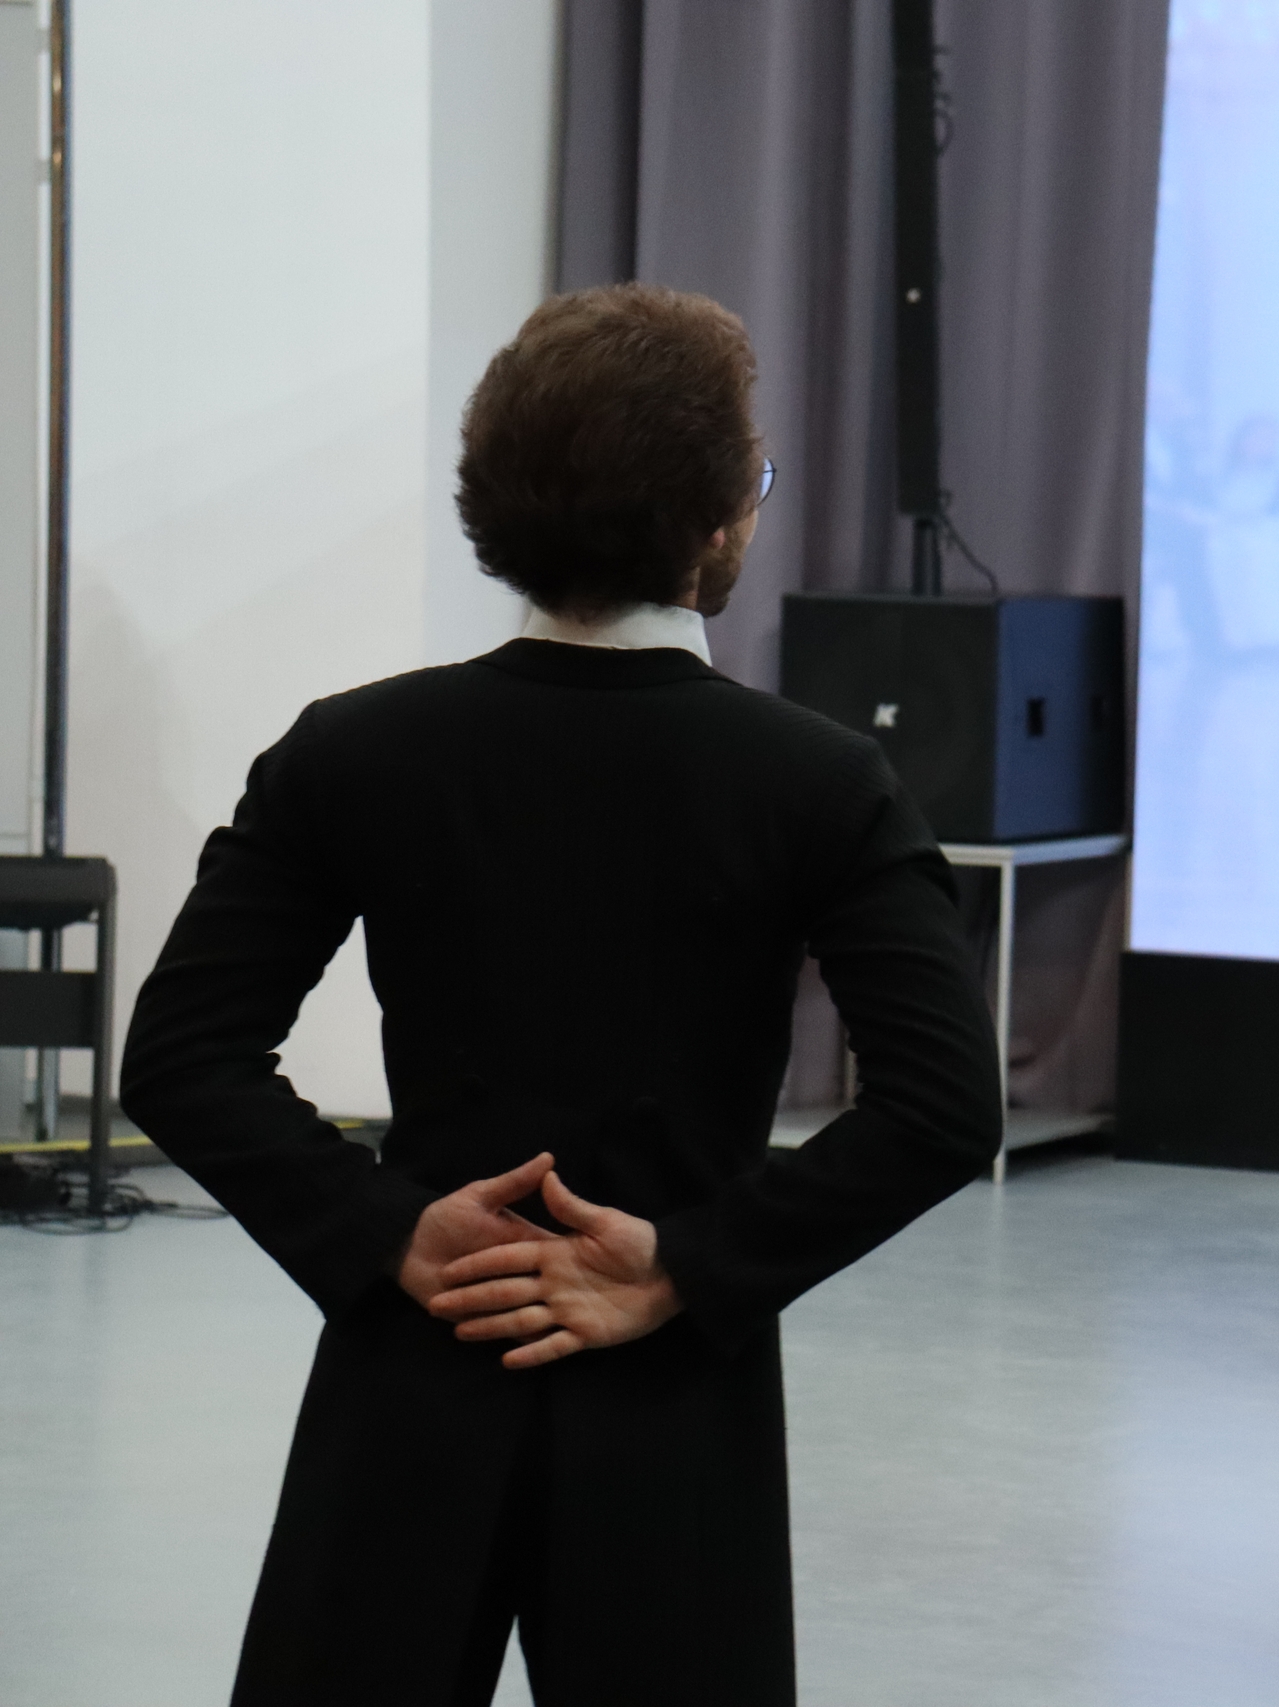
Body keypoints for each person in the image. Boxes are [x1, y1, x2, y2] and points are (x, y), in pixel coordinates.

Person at [117, 283, 1005, 1706]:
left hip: (419, 1353)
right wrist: (687, 1263)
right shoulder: (821, 782)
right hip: (672, 1392)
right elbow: (945, 1105)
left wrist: (389, 1228)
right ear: (715, 523)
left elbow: (181, 1056)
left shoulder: (355, 750)